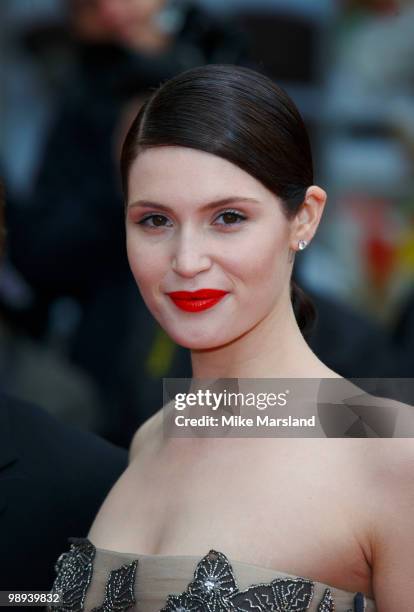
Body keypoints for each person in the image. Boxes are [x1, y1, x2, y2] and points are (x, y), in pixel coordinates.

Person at [48, 65, 414, 611]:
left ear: (304, 219)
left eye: (228, 217)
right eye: (154, 221)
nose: (187, 261)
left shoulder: (391, 450)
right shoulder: (156, 434)